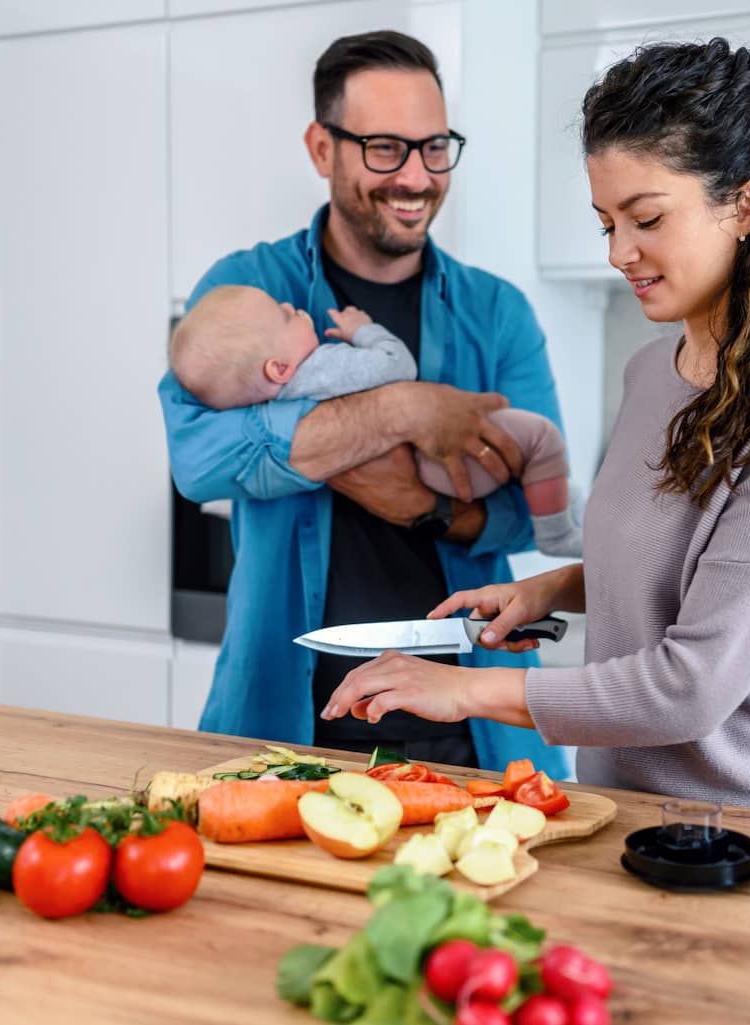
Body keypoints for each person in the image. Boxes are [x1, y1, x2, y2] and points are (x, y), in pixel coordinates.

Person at [321, 39, 750, 815]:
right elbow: (678, 576)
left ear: (749, 204)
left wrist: (464, 690)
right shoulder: (649, 372)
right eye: (606, 223)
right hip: (617, 812)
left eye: (646, 218)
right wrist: (550, 590)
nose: (620, 253)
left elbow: (692, 684)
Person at [157, 30, 570, 776]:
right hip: (280, 724)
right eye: (385, 147)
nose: (415, 176)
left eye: (434, 146)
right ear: (323, 148)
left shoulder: (498, 313)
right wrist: (400, 411)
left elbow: (527, 511)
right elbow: (196, 459)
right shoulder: (248, 290)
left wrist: (424, 506)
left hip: (475, 725)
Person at [168, 286, 582, 557]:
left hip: (443, 504)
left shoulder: (498, 308)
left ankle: (570, 512)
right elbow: (397, 365)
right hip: (445, 470)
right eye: (283, 316)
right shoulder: (323, 366)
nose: (292, 307)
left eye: (434, 148)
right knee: (542, 441)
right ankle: (567, 521)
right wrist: (366, 334)